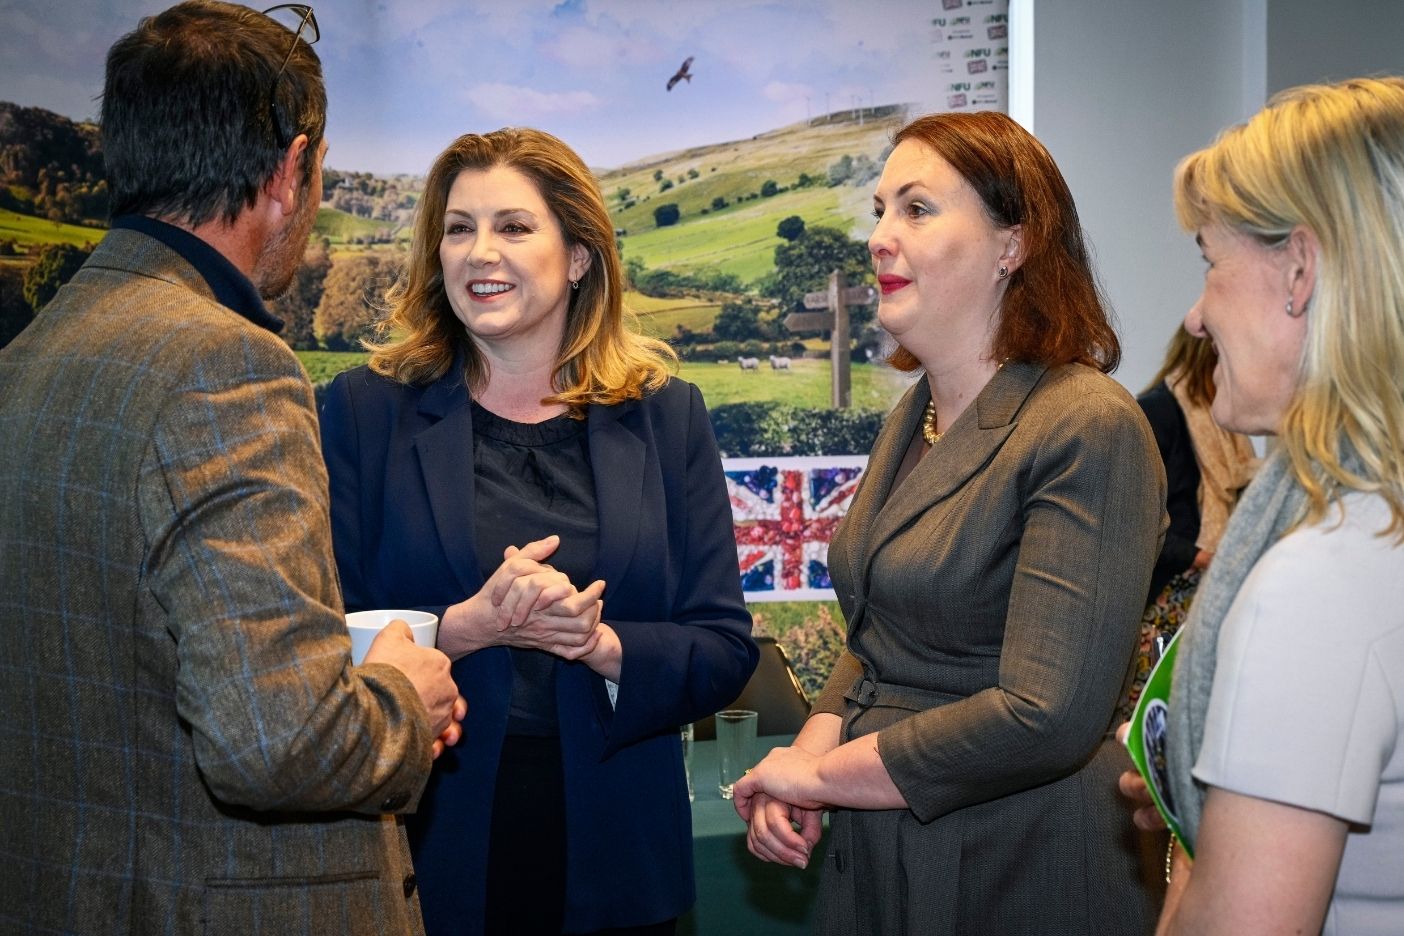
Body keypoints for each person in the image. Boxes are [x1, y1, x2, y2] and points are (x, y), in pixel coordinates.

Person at [0, 4, 466, 933]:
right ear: (293, 171)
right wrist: (404, 700)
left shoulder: (30, 356)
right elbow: (274, 738)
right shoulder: (226, 365)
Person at [732, 110, 1166, 935]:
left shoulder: (1085, 423)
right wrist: (808, 754)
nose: (880, 237)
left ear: (1014, 244)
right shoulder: (916, 416)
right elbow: (879, 636)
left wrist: (823, 779)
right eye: (880, 211)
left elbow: (1046, 714)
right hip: (883, 847)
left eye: (917, 209)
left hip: (1021, 860)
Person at [318, 127, 757, 936]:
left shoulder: (667, 416)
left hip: (619, 853)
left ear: (580, 255)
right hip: (423, 842)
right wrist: (463, 628)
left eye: (513, 227)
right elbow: (316, 640)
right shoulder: (362, 411)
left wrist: (600, 645)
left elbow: (724, 645)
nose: (479, 252)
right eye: (459, 228)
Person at [1139, 76, 1404, 936]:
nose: (1197, 314)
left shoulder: (1323, 578)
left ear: (1299, 270)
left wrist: (1198, 848)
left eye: (1210, 263)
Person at [1119, 326, 1257, 721]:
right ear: (1207, 356)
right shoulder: (1158, 411)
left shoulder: (1227, 418)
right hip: (1165, 595)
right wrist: (1198, 557)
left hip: (1208, 589)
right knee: (1154, 716)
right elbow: (1135, 519)